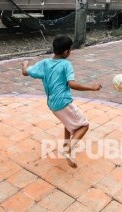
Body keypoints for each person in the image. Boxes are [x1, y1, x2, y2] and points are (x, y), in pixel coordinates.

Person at [21, 35, 102, 168]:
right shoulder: (66, 64)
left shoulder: (44, 63)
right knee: (84, 126)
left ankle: (65, 143)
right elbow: (72, 84)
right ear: (66, 52)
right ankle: (68, 148)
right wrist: (92, 87)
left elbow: (25, 73)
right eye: (70, 50)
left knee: (67, 121)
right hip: (63, 102)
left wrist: (25, 65)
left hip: (52, 104)